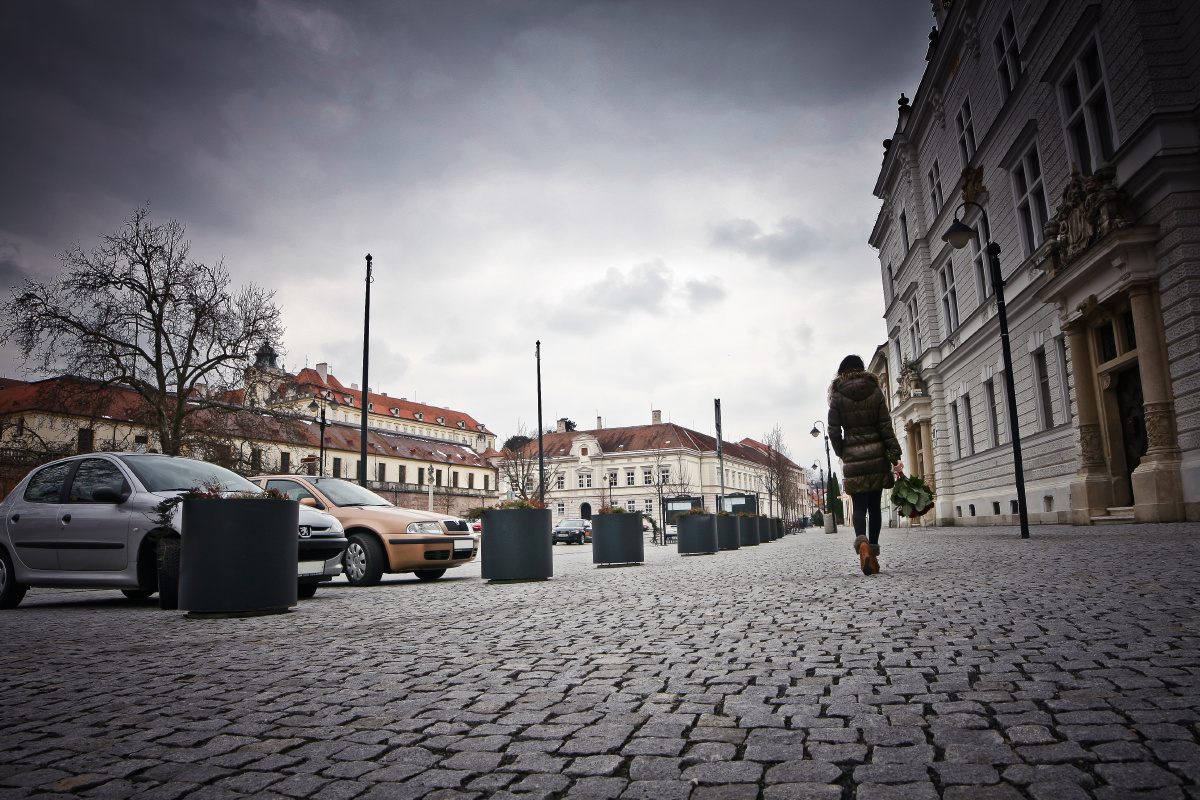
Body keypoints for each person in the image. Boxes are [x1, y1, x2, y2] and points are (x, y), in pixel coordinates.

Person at [827, 354, 902, 575]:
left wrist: (842, 451)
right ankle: (874, 553)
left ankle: (863, 545)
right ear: (862, 369)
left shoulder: (837, 395)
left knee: (859, 507)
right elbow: (885, 425)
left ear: (842, 372)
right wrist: (894, 454)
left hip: (853, 456)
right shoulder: (875, 390)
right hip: (877, 455)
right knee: (875, 507)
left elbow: (833, 431)